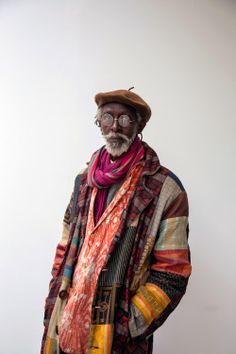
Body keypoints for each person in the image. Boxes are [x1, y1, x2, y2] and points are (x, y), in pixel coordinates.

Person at [41, 88, 192, 354]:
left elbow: (173, 273)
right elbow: (64, 245)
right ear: (99, 122)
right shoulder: (83, 179)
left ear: (139, 125)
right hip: (65, 326)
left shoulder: (166, 189)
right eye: (107, 118)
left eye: (124, 119)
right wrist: (57, 289)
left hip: (115, 337)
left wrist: (129, 325)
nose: (114, 127)